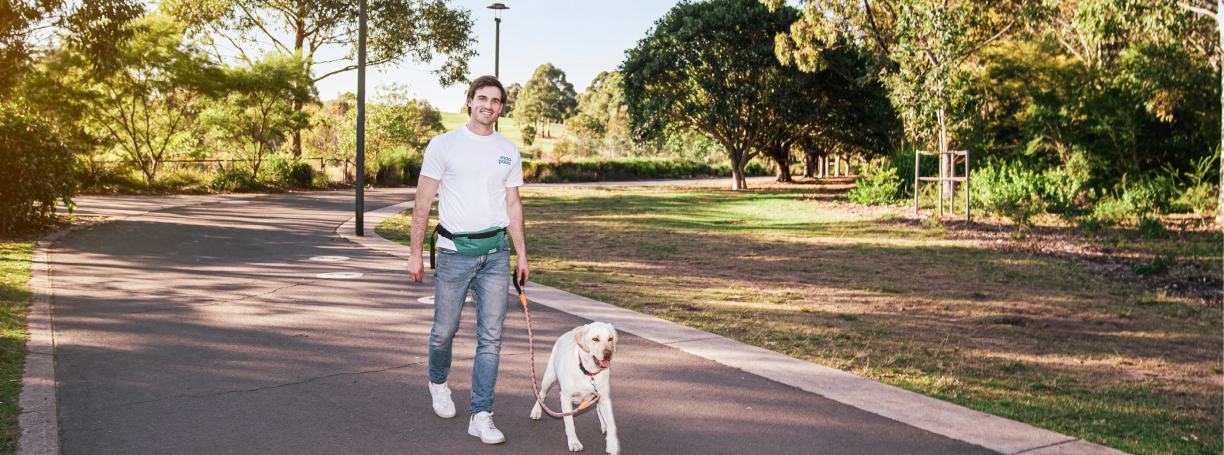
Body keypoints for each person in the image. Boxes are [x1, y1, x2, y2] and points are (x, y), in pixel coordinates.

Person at [406, 75, 529, 445]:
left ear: (501, 107)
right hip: (453, 254)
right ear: (470, 101)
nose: (488, 105)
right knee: (444, 332)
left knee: (490, 338)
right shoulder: (444, 145)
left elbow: (513, 204)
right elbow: (422, 202)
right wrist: (414, 254)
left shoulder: (508, 149)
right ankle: (438, 382)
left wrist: (522, 253)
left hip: (496, 255)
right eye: (482, 98)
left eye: (495, 100)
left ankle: (481, 414)